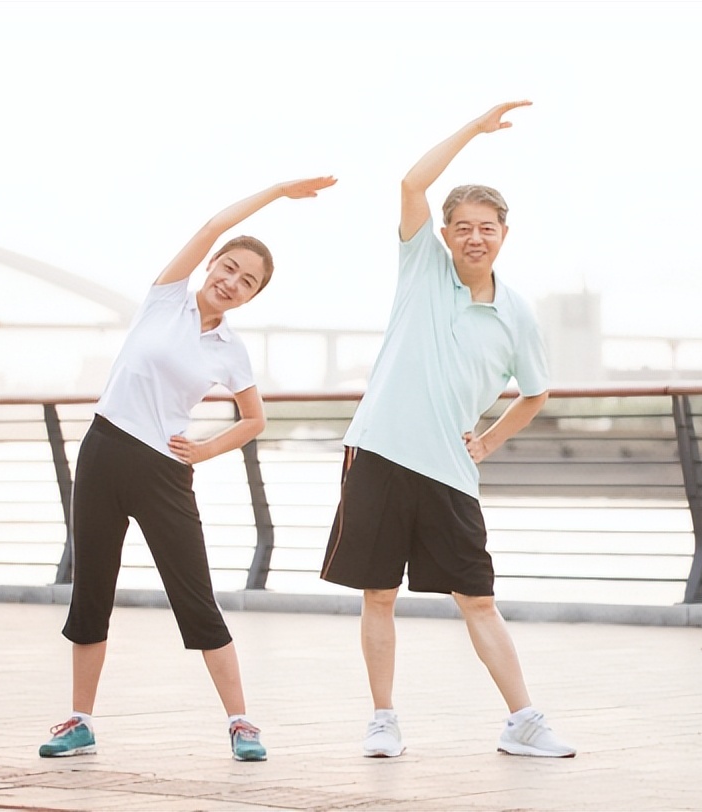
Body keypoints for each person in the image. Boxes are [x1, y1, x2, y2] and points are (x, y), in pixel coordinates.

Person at [39, 175, 337, 762]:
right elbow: (213, 225)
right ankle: (80, 722)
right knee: (92, 590)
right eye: (229, 268)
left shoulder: (231, 349)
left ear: (251, 297)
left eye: (247, 282)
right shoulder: (166, 298)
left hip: (163, 472)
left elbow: (255, 420)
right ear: (211, 265)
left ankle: (241, 723)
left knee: (195, 596)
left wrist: (204, 450)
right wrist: (278, 192)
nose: (232, 282)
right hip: (103, 452)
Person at [320, 101, 575, 759]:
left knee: (478, 600)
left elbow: (536, 394)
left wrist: (487, 441)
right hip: (379, 452)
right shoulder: (422, 267)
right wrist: (474, 129)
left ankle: (523, 722)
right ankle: (383, 720)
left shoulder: (518, 314)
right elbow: (411, 183)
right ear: (445, 232)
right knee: (379, 594)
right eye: (462, 227)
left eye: (486, 227)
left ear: (504, 234)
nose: (474, 238)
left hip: (450, 471)